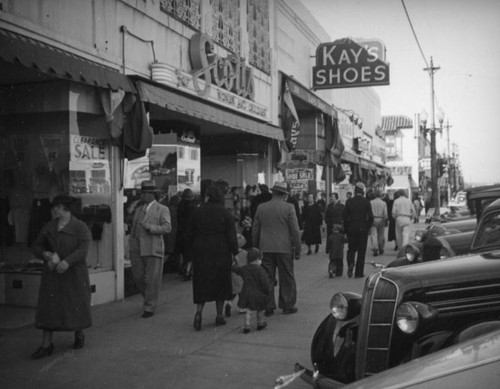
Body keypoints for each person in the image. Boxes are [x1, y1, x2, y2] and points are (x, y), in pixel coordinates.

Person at [31, 195, 92, 359]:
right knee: (48, 308)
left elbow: (83, 248)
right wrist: (44, 254)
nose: (54, 210)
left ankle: (78, 334)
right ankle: (46, 344)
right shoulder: (49, 227)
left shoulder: (80, 227)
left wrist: (68, 261)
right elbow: (36, 245)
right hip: (53, 274)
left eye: (57, 207)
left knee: (75, 303)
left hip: (74, 274)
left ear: (66, 208)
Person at [187, 186, 239, 331]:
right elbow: (232, 236)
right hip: (221, 252)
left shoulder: (197, 212)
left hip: (201, 252)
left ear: (208, 196)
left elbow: (189, 234)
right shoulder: (226, 213)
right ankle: (219, 315)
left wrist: (190, 256)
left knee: (202, 283)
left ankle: (198, 313)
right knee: (221, 284)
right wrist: (235, 254)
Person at [252, 181, 301, 316]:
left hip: (265, 248)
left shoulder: (261, 207)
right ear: (284, 194)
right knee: (287, 276)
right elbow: (295, 230)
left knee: (267, 277)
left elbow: (255, 229)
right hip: (284, 248)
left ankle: (268, 305)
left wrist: (255, 246)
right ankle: (287, 305)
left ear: (273, 192)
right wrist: (298, 247)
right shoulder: (289, 208)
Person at [129, 180, 172, 318]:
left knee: (152, 279)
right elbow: (134, 228)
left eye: (143, 193)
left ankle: (149, 306)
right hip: (137, 249)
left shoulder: (162, 209)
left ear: (150, 194)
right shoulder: (138, 209)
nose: (141, 196)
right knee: (138, 277)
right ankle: (148, 298)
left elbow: (167, 227)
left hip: (153, 248)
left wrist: (151, 228)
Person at [233, 247, 270, 333]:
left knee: (248, 311)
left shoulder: (244, 269)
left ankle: (247, 326)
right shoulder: (261, 270)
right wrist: (267, 291)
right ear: (257, 259)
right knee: (260, 309)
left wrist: (235, 263)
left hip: (247, 293)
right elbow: (265, 283)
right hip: (258, 293)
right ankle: (260, 323)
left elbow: (236, 270)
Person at [343, 183, 374, 278]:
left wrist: (346, 230)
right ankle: (359, 273)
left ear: (355, 191)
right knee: (361, 251)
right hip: (362, 229)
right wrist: (367, 227)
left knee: (351, 249)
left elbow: (344, 217)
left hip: (351, 229)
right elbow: (371, 217)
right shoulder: (366, 202)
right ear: (363, 192)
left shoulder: (349, 202)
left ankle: (351, 263)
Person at [176, 188, 198, 280]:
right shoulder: (193, 207)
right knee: (190, 253)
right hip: (190, 232)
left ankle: (182, 268)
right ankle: (188, 271)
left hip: (180, 231)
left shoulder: (179, 205)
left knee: (182, 252)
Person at [224, 233, 247, 317]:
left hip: (233, 275)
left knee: (233, 293)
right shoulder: (245, 253)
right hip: (242, 275)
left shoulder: (231, 254)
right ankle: (242, 307)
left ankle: (229, 303)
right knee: (242, 293)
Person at [370, 189, 388, 256]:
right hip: (381, 219)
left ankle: (375, 248)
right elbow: (385, 213)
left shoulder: (371, 202)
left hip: (373, 219)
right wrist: (385, 220)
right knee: (381, 235)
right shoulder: (383, 203)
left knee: (374, 235)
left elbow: (369, 212)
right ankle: (381, 248)